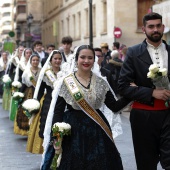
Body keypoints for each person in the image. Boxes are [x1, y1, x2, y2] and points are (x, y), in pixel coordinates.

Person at [41, 45, 130, 170]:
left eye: (90, 58)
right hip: (73, 132)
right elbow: (58, 112)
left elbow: (114, 107)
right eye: (82, 57)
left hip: (98, 130)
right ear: (76, 59)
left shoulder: (101, 82)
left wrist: (131, 94)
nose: (86, 61)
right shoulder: (66, 82)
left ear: (94, 60)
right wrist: (56, 137)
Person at [118, 12, 170, 170]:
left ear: (163, 27)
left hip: (169, 115)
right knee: (146, 163)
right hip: (144, 117)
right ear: (143, 29)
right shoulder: (133, 52)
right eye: (151, 26)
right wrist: (151, 93)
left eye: (158, 26)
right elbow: (123, 86)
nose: (155, 29)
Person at [14, 54, 41, 136]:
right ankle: (27, 130)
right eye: (33, 60)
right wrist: (20, 95)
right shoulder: (27, 71)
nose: (35, 62)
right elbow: (24, 83)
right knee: (27, 110)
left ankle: (34, 130)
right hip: (29, 92)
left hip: (39, 92)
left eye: (37, 60)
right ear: (31, 61)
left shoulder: (42, 70)